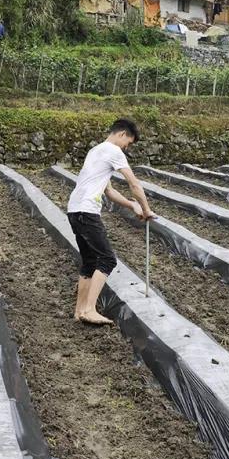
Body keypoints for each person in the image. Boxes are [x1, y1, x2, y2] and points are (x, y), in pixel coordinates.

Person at [66, 118, 155, 325]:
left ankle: (79, 311)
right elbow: (133, 184)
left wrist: (132, 206)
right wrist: (147, 209)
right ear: (122, 134)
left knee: (89, 262)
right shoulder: (114, 151)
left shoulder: (95, 151)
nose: (127, 147)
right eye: (129, 143)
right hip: (87, 211)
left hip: (75, 210)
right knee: (107, 260)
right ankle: (89, 309)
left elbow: (109, 190)